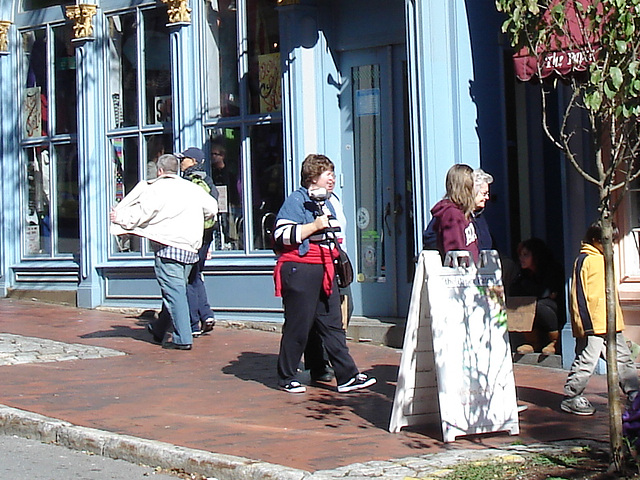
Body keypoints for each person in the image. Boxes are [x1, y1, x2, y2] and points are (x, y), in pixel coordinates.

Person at [272, 154, 376, 394]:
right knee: (299, 324)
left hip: (325, 269)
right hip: (301, 268)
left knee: (332, 325)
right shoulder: (296, 201)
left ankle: (347, 376)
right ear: (313, 177)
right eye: (327, 174)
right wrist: (315, 226)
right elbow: (281, 235)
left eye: (332, 174)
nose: (331, 179)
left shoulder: (328, 202)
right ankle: (286, 376)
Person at [110, 154, 218, 350]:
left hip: (168, 247)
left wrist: (119, 218)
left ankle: (183, 338)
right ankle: (159, 329)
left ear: (160, 170)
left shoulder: (156, 188)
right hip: (190, 248)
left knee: (174, 293)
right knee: (176, 290)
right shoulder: (192, 188)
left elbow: (143, 212)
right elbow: (211, 208)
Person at [561, 223, 639, 415]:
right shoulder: (585, 260)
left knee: (623, 358)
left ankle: (635, 394)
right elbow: (578, 295)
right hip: (593, 325)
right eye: (608, 241)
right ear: (596, 240)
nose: (612, 245)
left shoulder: (604, 259)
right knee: (586, 361)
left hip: (610, 322)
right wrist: (585, 325)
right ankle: (572, 396)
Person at [177, 147, 219, 337]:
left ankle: (193, 322)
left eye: (184, 159)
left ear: (193, 161)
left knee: (188, 278)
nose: (180, 162)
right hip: (207, 234)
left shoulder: (188, 182)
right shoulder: (208, 180)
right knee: (195, 275)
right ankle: (206, 314)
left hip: (192, 235)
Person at [510, 238, 564, 355]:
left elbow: (548, 294)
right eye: (520, 255)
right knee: (519, 305)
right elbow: (515, 291)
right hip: (536, 308)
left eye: (525, 255)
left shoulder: (552, 269)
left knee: (539, 305)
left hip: (554, 309)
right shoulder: (523, 274)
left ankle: (554, 341)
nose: (521, 258)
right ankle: (533, 341)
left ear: (535, 255)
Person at [429, 164, 478, 263]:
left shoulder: (463, 212)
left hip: (472, 272)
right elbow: (455, 253)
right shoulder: (451, 214)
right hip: (461, 274)